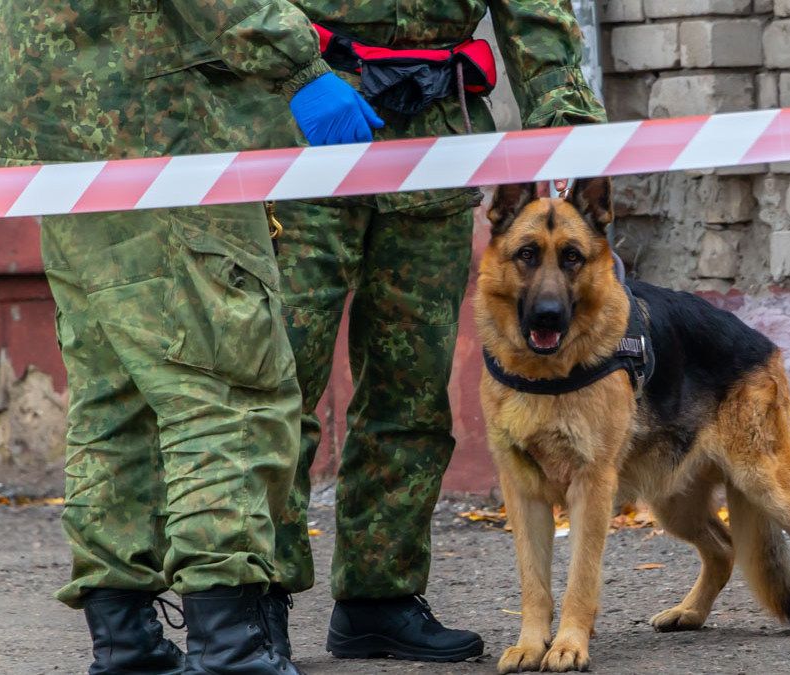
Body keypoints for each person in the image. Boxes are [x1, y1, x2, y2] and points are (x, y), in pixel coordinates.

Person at [0, 1, 380, 672]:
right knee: (223, 387)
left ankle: (125, 640)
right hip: (156, 125)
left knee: (114, 394)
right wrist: (302, 63)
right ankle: (231, 645)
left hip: (53, 126)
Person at [256, 0, 607, 662]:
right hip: (309, 122)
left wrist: (568, 126)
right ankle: (255, 600)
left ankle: (378, 597)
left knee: (412, 389)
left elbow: (535, 14)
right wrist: (299, 69)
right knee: (280, 383)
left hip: (434, 140)